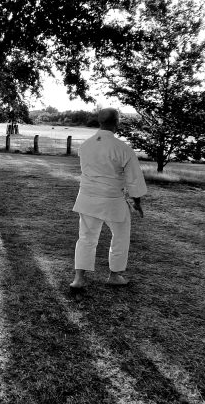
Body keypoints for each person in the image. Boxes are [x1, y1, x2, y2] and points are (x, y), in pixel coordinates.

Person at [70, 108, 146, 289]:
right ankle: (114, 275)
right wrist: (137, 202)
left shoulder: (86, 145)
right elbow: (134, 179)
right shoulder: (122, 148)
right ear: (117, 122)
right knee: (120, 236)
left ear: (99, 121)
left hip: (87, 198)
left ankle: (79, 279)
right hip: (112, 200)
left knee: (86, 237)